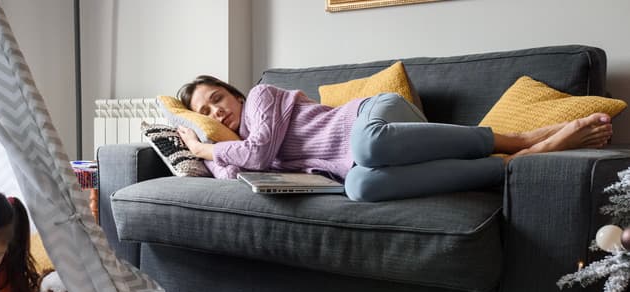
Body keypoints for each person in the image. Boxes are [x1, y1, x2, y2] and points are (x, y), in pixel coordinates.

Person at [175, 75, 615, 201]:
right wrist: (206, 144)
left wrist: (200, 147)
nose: (218, 111)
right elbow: (235, 175)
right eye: (206, 113)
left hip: (375, 116)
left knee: (367, 147)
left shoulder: (260, 97)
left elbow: (256, 152)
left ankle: (516, 139)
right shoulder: (231, 146)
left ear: (234, 92)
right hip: (368, 161)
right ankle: (515, 161)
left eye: (218, 98)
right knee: (361, 186)